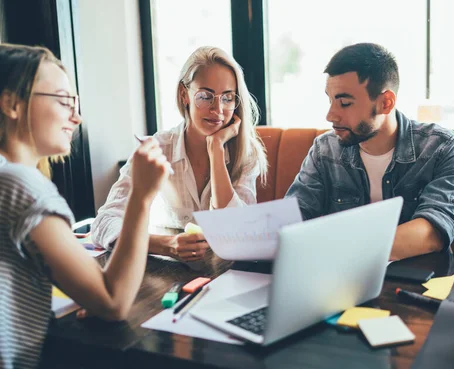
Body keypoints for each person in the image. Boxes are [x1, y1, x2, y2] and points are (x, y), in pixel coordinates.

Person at [0, 44, 170, 368]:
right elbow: (113, 301)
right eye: (64, 101)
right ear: (11, 104)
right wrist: (141, 196)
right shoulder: (20, 186)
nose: (76, 117)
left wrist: (83, 285)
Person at [285, 43, 454, 260]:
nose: (331, 115)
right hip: (341, 281)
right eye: (330, 100)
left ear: (386, 103)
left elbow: (432, 232)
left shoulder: (444, 148)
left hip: (419, 282)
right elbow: (294, 220)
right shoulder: (324, 150)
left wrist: (338, 248)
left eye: (344, 103)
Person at [91, 46, 267, 263]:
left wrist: (216, 150)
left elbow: (237, 230)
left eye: (227, 98)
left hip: (228, 271)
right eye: (205, 96)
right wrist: (166, 245)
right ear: (185, 95)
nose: (218, 109)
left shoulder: (246, 154)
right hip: (168, 270)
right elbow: (104, 223)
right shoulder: (158, 148)